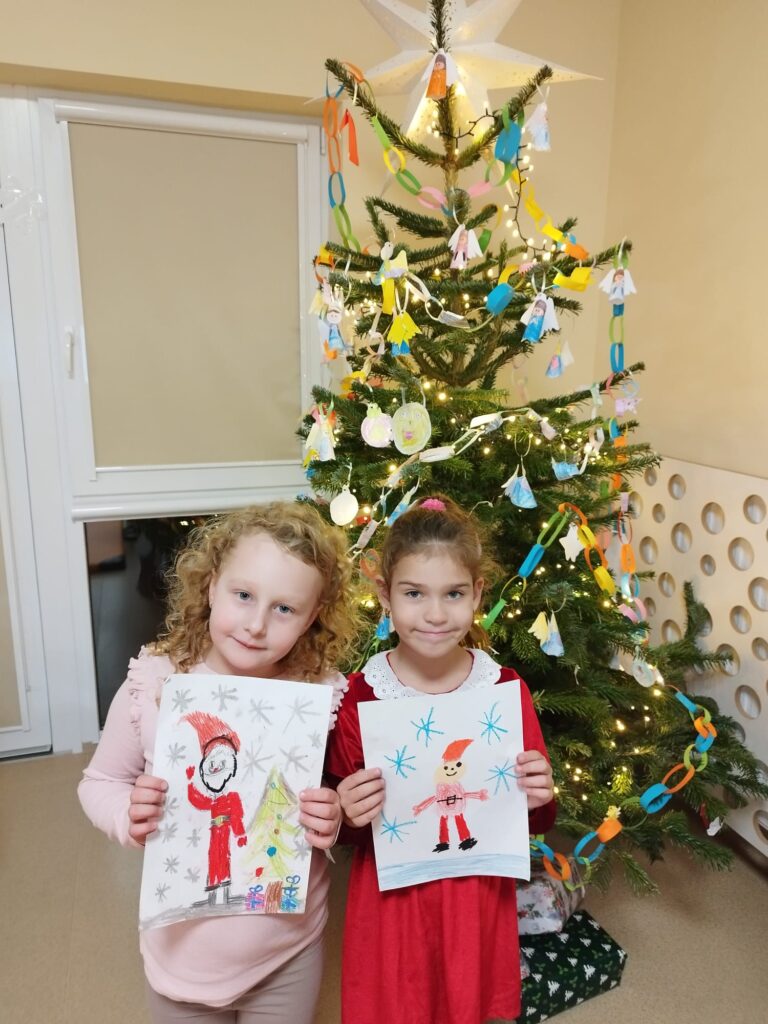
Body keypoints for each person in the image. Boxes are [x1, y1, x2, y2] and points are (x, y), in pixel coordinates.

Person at [78, 502, 359, 1024]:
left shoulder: (320, 695)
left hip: (287, 950)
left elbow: (340, 794)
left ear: (313, 616)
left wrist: (334, 813)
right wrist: (126, 816)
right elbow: (100, 780)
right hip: (182, 954)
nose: (256, 625)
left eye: (284, 608)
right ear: (210, 586)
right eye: (243, 595)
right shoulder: (155, 682)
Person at [326, 495, 556, 1024]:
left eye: (453, 593)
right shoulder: (361, 695)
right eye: (414, 593)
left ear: (477, 594)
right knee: (397, 1002)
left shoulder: (503, 689)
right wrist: (346, 809)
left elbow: (536, 816)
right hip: (393, 901)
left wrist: (540, 795)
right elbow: (347, 827)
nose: (435, 614)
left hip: (473, 894)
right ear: (384, 595)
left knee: (466, 999)